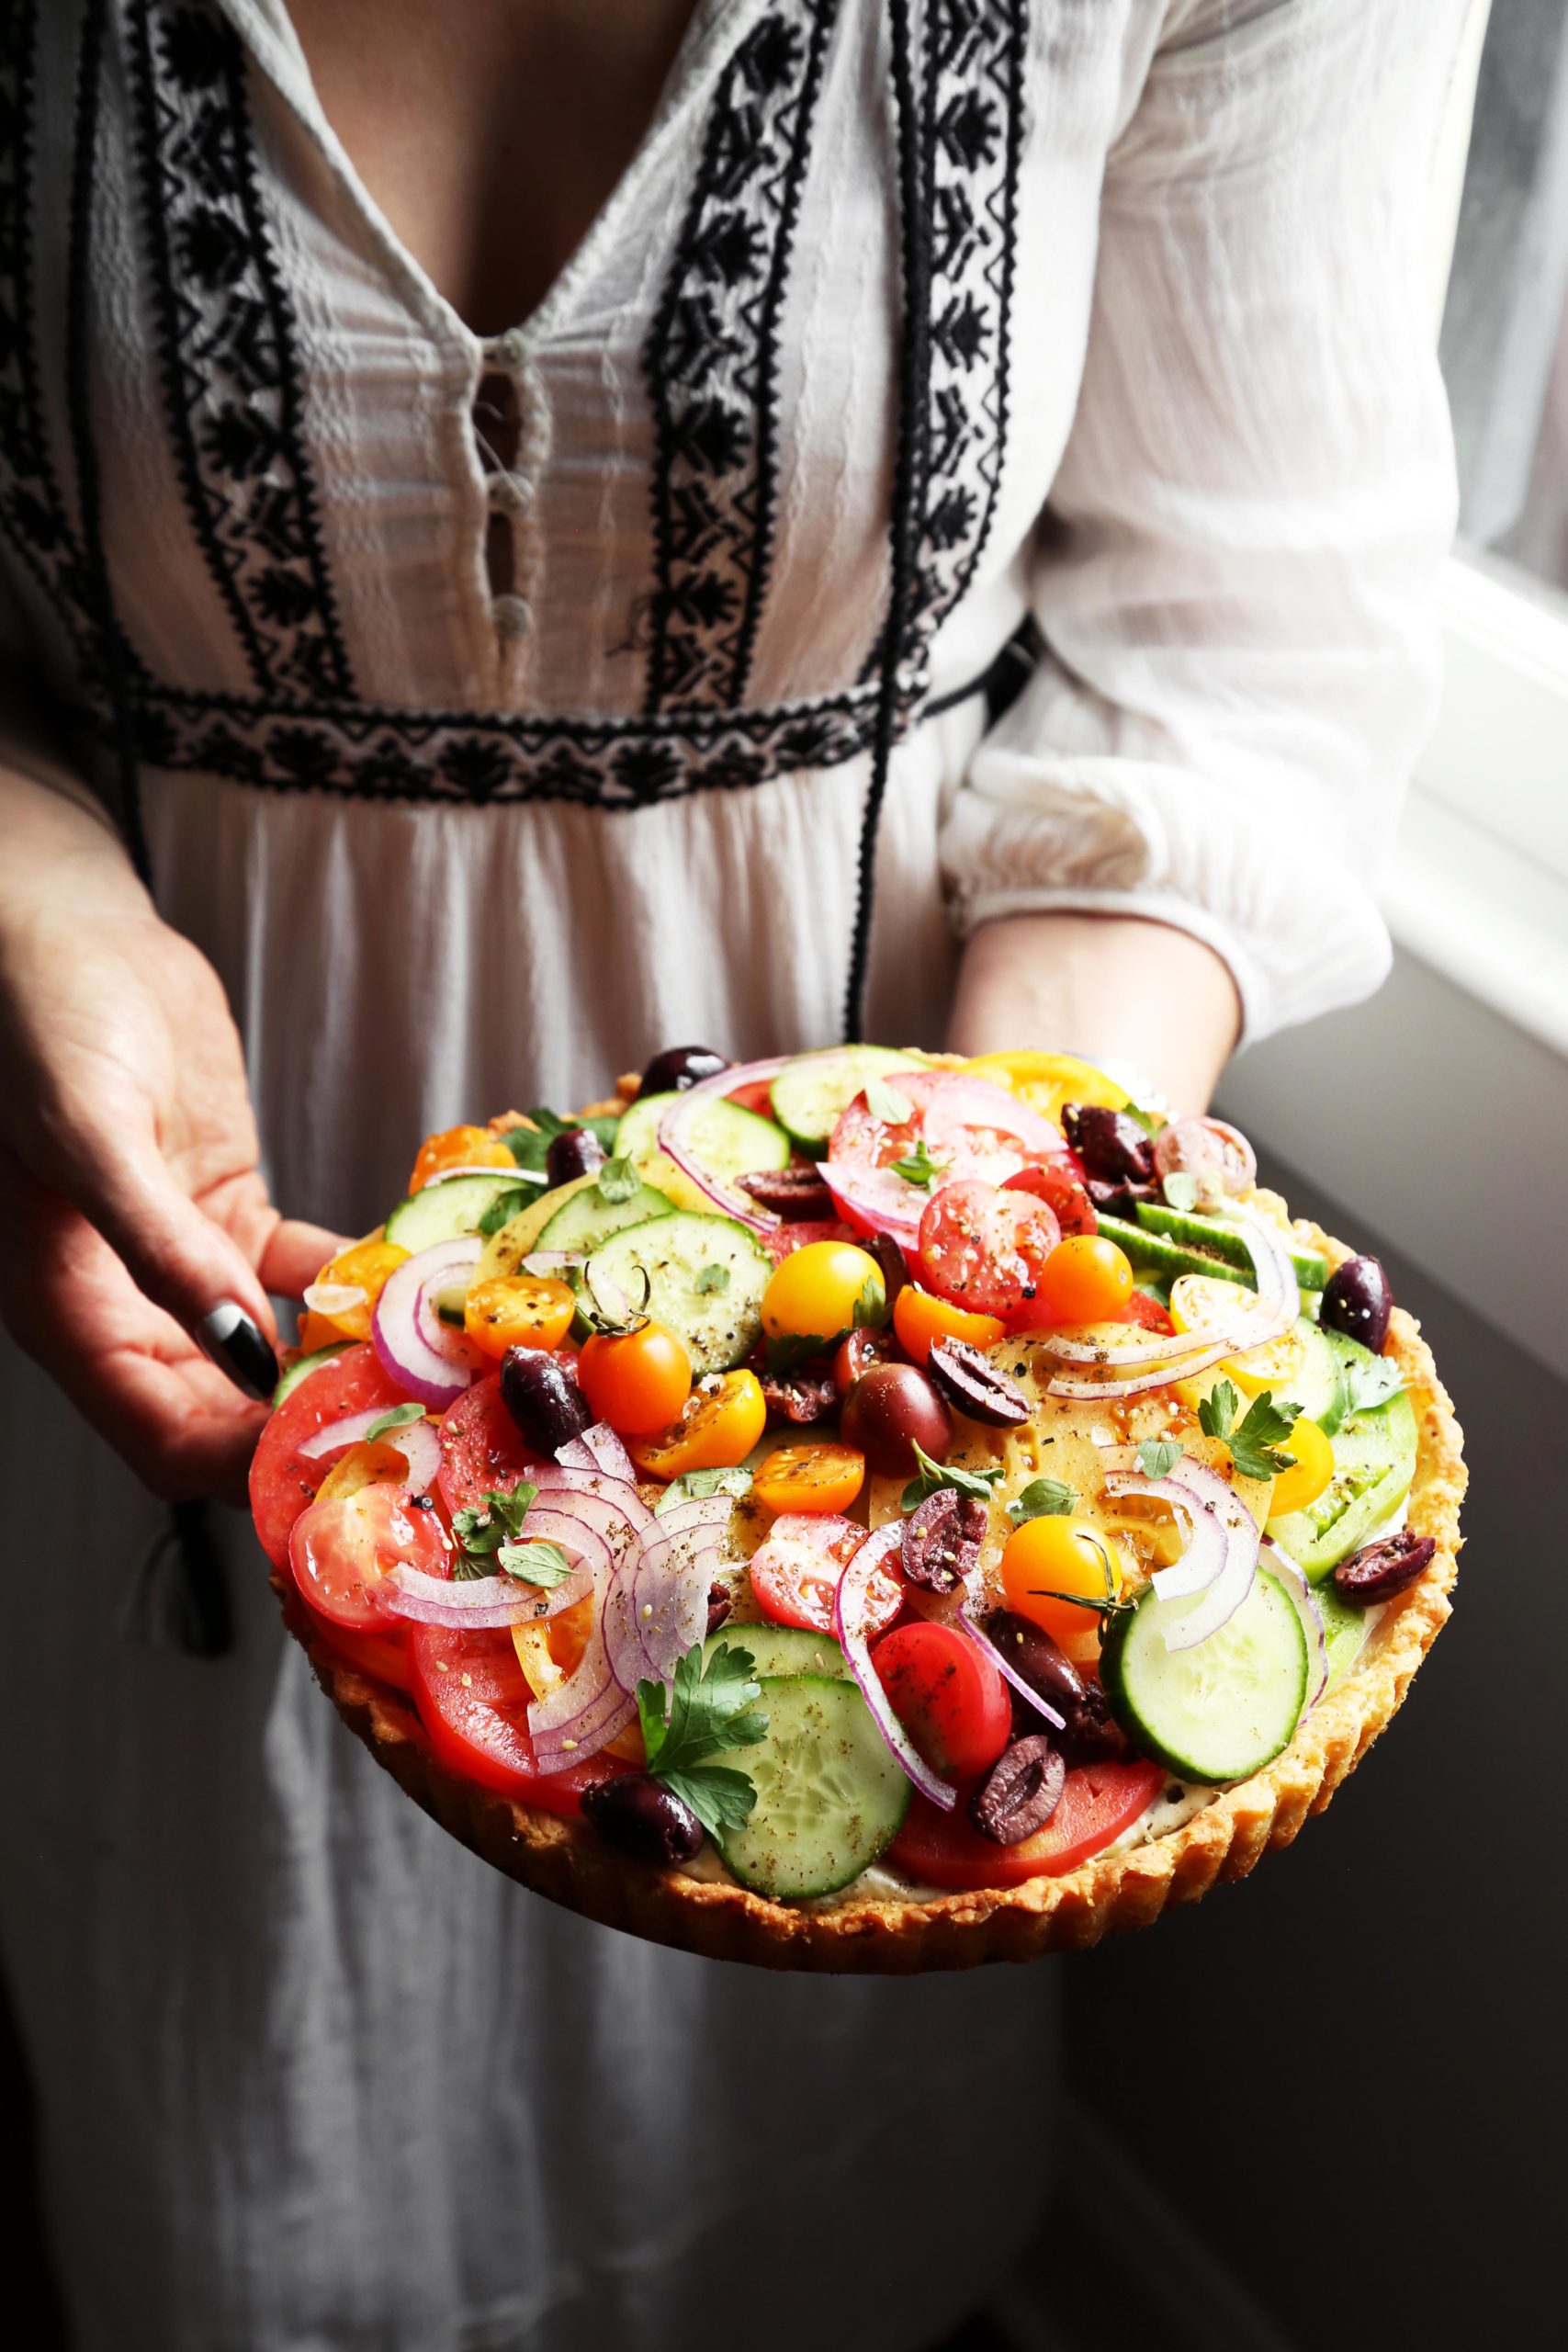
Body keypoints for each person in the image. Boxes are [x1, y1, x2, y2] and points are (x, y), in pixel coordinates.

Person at [0, 2, 1463, 2346]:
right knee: (252, 2122)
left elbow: (1238, 644)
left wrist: (975, 1291)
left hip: (913, 1414)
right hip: (189, 1266)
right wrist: (22, 894)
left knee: (807, 2202)